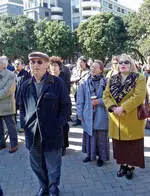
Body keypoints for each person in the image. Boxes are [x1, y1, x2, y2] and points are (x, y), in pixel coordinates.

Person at [20, 52, 70, 196]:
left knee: (53, 164)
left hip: (52, 133)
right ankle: (44, 187)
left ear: (47, 64)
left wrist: (58, 125)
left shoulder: (57, 83)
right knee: (36, 164)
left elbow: (66, 107)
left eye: (39, 62)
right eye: (32, 62)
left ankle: (53, 187)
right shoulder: (25, 85)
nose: (35, 64)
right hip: (32, 133)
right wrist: (25, 124)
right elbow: (22, 108)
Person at [103, 54, 146, 179]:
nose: (123, 64)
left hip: (131, 118)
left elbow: (139, 96)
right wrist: (113, 108)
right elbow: (105, 96)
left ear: (131, 64)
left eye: (126, 62)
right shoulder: (112, 78)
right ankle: (123, 166)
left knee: (132, 146)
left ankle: (130, 167)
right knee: (120, 146)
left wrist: (123, 108)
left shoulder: (139, 78)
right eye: (121, 62)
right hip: (116, 119)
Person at [76, 60, 109, 166]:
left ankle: (101, 158)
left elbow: (111, 99)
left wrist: (98, 101)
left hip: (101, 114)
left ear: (101, 70)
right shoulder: (84, 82)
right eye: (92, 67)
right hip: (88, 113)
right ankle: (90, 155)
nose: (92, 69)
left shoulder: (106, 82)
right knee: (89, 134)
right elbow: (80, 100)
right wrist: (79, 114)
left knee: (101, 136)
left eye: (95, 67)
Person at [49, 56, 71, 156]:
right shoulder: (47, 77)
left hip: (64, 104)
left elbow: (67, 90)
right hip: (52, 106)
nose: (53, 67)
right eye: (51, 65)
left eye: (55, 65)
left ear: (59, 67)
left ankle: (64, 146)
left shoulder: (64, 76)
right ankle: (56, 144)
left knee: (64, 126)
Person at [0, 56, 18, 153]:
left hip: (7, 104)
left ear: (3, 65)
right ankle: (1, 142)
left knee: (11, 126)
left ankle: (14, 144)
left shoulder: (11, 75)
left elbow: (8, 91)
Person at [71, 56, 90, 126]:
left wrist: (80, 80)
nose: (80, 64)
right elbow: (71, 78)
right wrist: (76, 79)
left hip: (85, 91)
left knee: (85, 105)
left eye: (81, 62)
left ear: (85, 63)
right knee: (77, 105)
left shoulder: (88, 71)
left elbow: (88, 81)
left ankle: (84, 119)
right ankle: (78, 119)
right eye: (78, 62)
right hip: (76, 90)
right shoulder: (75, 70)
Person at [14, 59, 31, 132]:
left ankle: (22, 127)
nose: (16, 65)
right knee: (13, 113)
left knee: (22, 113)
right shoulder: (12, 73)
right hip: (13, 97)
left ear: (22, 65)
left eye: (18, 64)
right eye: (15, 64)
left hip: (22, 97)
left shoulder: (26, 74)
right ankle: (13, 126)